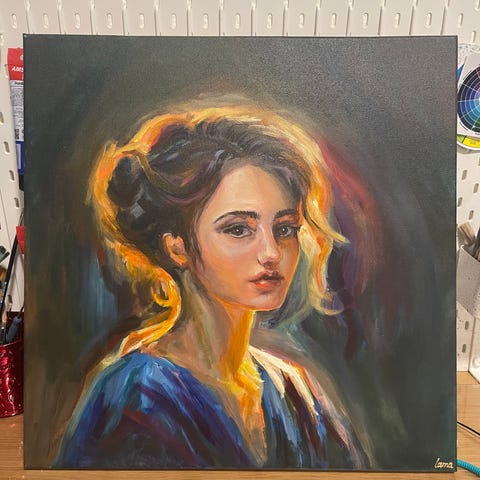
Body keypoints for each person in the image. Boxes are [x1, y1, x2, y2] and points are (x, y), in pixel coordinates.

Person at [54, 100, 372, 469]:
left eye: (284, 229)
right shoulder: (135, 397)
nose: (271, 253)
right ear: (177, 247)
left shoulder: (297, 394)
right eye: (238, 229)